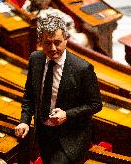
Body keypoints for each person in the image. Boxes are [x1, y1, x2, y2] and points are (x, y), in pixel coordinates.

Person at [15, 13, 102, 164]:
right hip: (43, 132)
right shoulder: (35, 59)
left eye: (57, 42)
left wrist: (67, 114)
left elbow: (96, 105)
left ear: (66, 39)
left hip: (71, 137)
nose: (53, 48)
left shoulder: (82, 68)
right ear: (40, 42)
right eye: (47, 43)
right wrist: (24, 121)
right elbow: (29, 95)